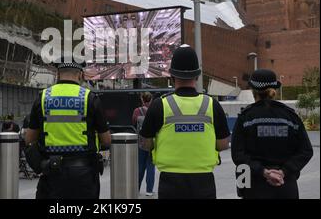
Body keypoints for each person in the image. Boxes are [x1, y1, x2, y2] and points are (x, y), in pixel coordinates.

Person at [140, 45, 231, 199]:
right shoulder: (211, 105)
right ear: (197, 76)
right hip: (204, 182)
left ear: (172, 76)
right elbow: (223, 144)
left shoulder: (159, 105)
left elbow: (145, 143)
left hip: (171, 183)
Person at [25, 56, 111, 199]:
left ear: (58, 74)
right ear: (80, 75)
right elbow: (106, 140)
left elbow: (29, 138)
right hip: (84, 174)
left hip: (51, 172)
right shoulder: (90, 98)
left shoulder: (43, 97)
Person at [231, 69, 313, 199]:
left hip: (253, 185)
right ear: (274, 90)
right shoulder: (290, 116)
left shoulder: (246, 117)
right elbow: (306, 151)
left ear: (253, 91)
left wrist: (264, 172)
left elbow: (237, 154)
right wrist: (283, 172)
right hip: (285, 184)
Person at [132, 92, 155, 196]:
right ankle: (149, 191)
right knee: (150, 166)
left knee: (140, 166)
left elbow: (133, 122)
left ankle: (137, 189)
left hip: (140, 141)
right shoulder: (154, 109)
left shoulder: (137, 111)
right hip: (152, 141)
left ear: (142, 100)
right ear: (151, 100)